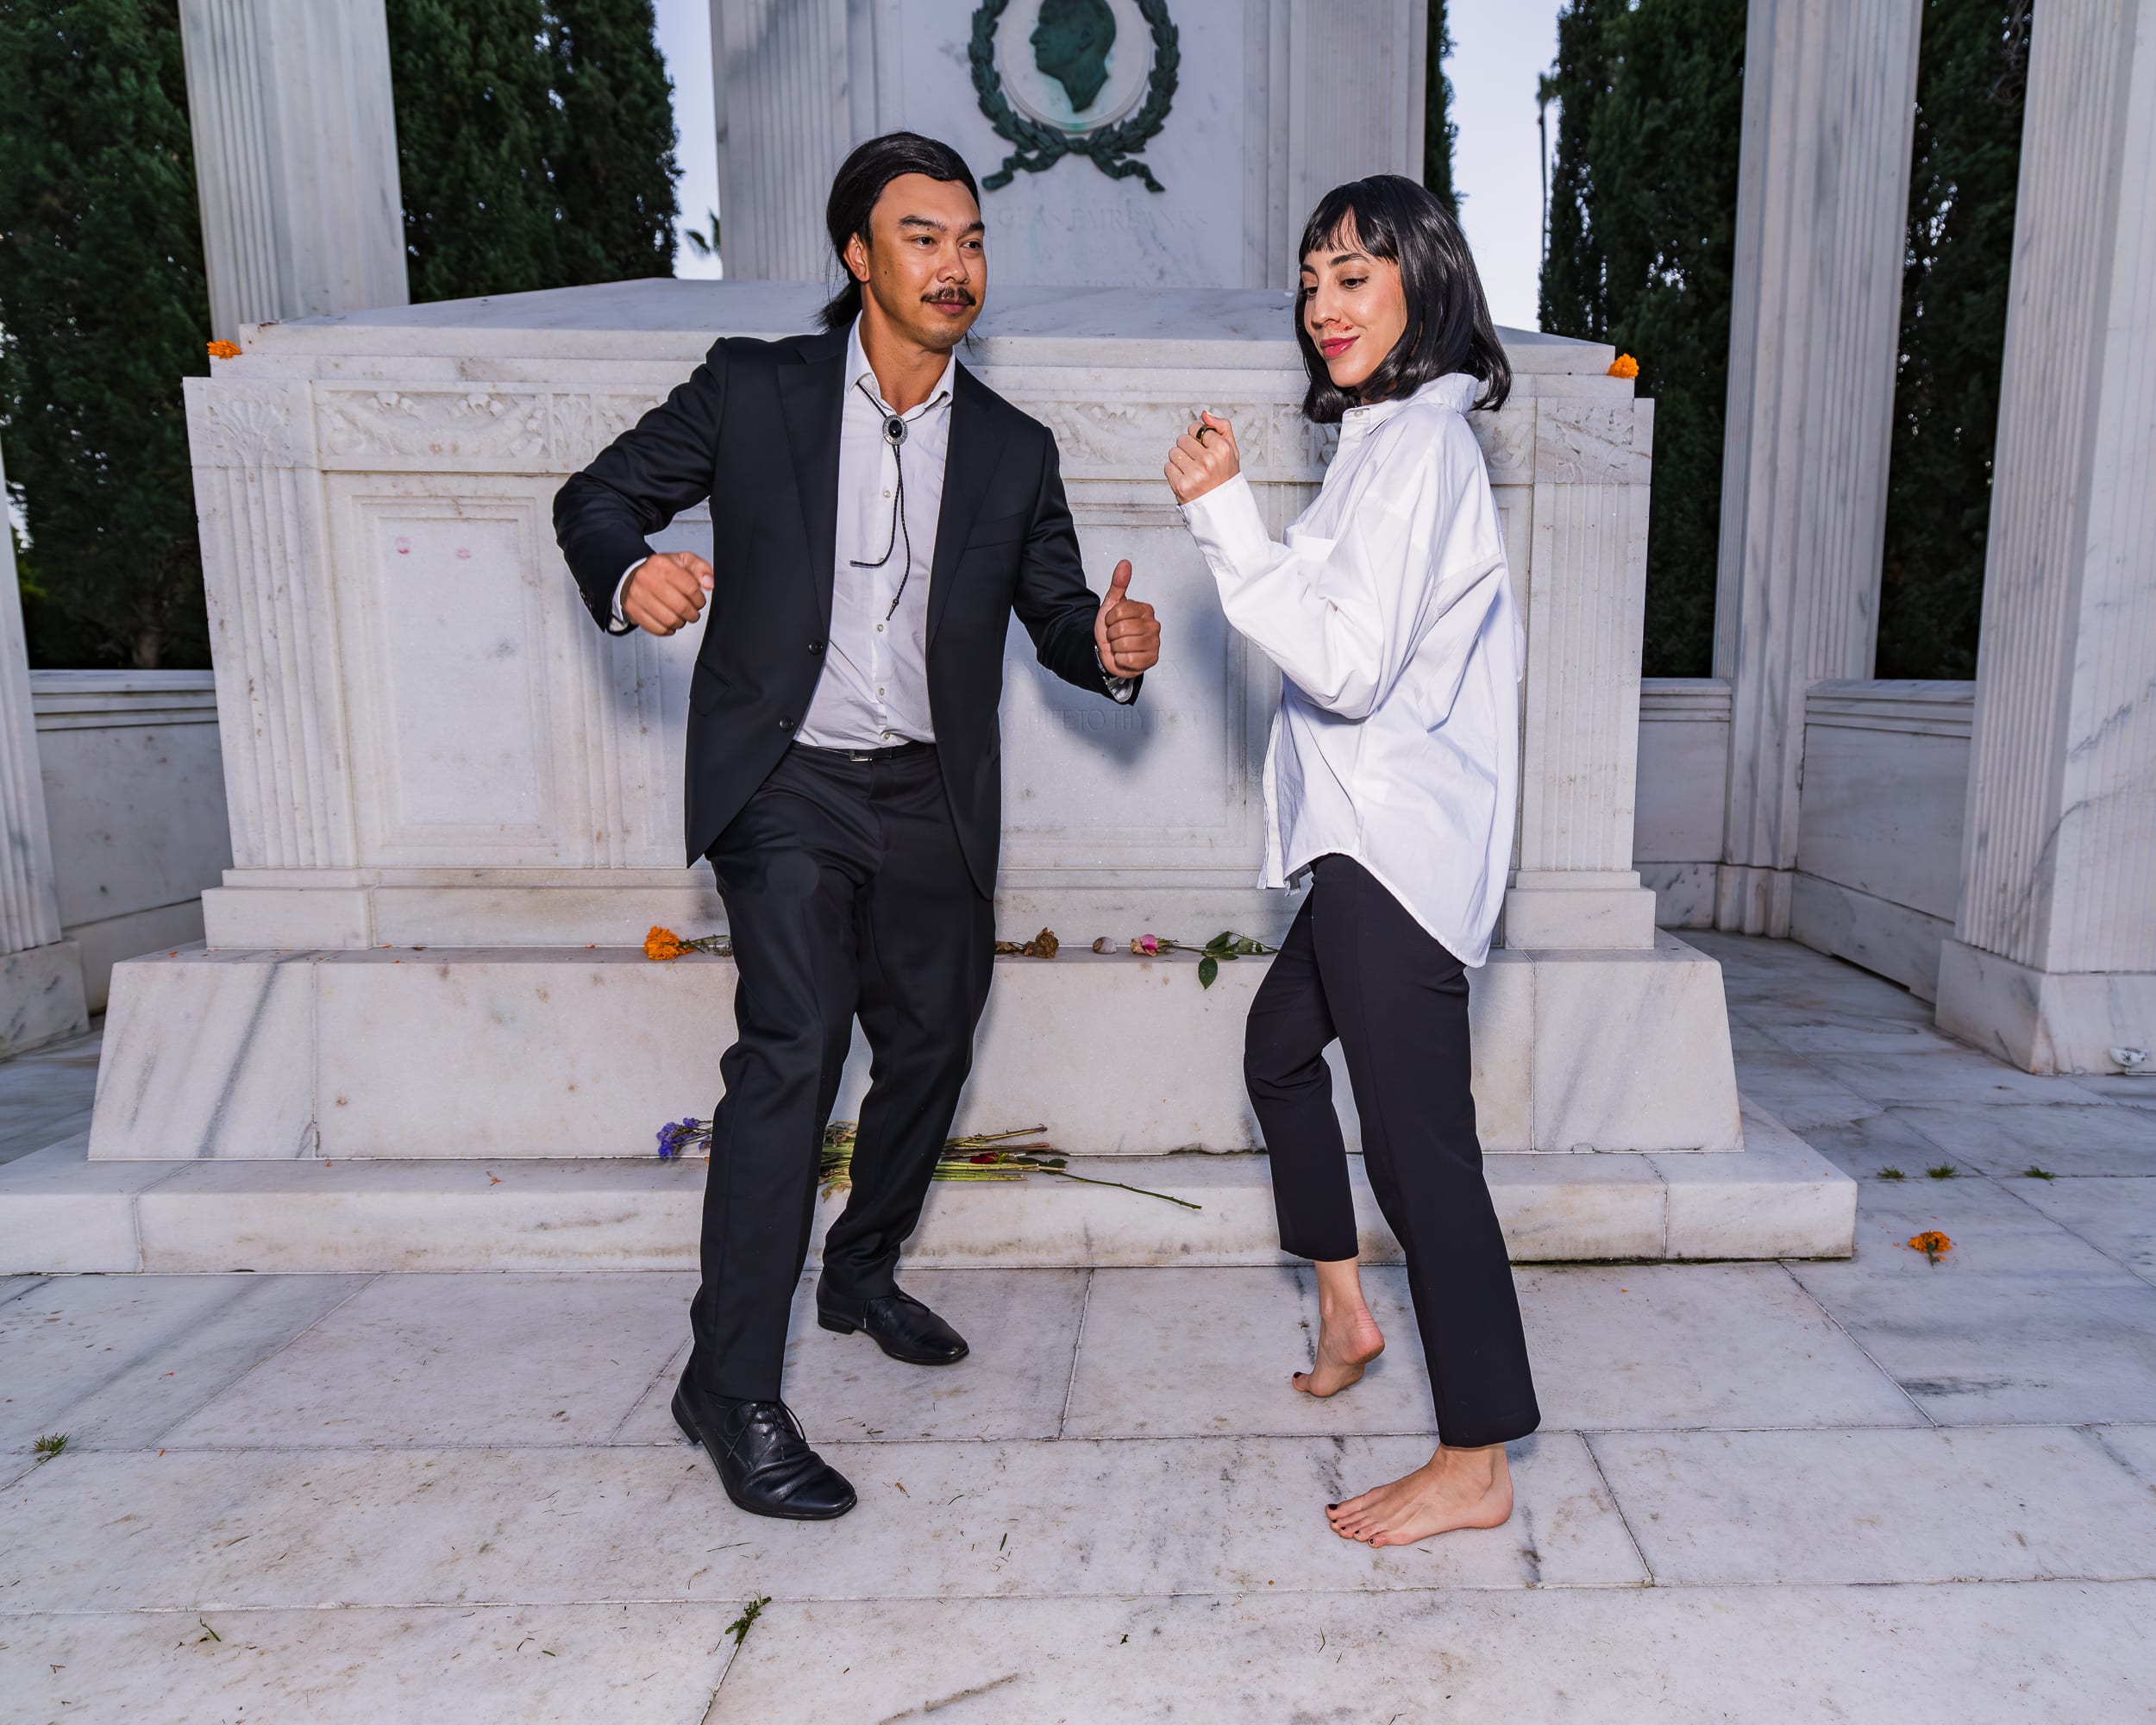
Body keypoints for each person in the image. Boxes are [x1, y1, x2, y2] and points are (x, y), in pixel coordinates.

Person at [554, 132, 1162, 1521]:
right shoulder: (755, 387)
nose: (956, 265)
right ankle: (731, 1388)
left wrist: (1109, 646)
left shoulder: (1012, 448)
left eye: (971, 240)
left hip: (932, 793)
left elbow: (1058, 614)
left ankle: (864, 1269)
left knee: (934, 1043)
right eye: (923, 237)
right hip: (788, 784)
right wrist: (631, 573)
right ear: (858, 254)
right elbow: (595, 499)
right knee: (795, 1052)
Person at [1163, 173, 1539, 1547]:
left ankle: (1477, 1456)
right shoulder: (1384, 444)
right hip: (1357, 846)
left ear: (1423, 284)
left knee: (1424, 1158)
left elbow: (1348, 665)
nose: (1323, 304)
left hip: (1395, 852)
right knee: (1278, 1052)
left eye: (1355, 275)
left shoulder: (1422, 450)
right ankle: (1342, 1308)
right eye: (1311, 280)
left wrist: (1225, 518)